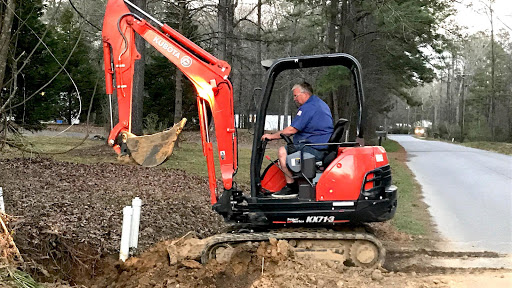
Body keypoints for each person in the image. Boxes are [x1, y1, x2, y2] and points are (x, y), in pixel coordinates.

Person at [261, 82, 333, 198]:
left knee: (282, 152)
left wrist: (271, 136)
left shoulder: (309, 107)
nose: (294, 99)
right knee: (287, 152)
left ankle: (291, 187)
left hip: (314, 149)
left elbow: (291, 130)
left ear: (305, 94)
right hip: (317, 146)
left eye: (296, 95)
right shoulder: (318, 104)